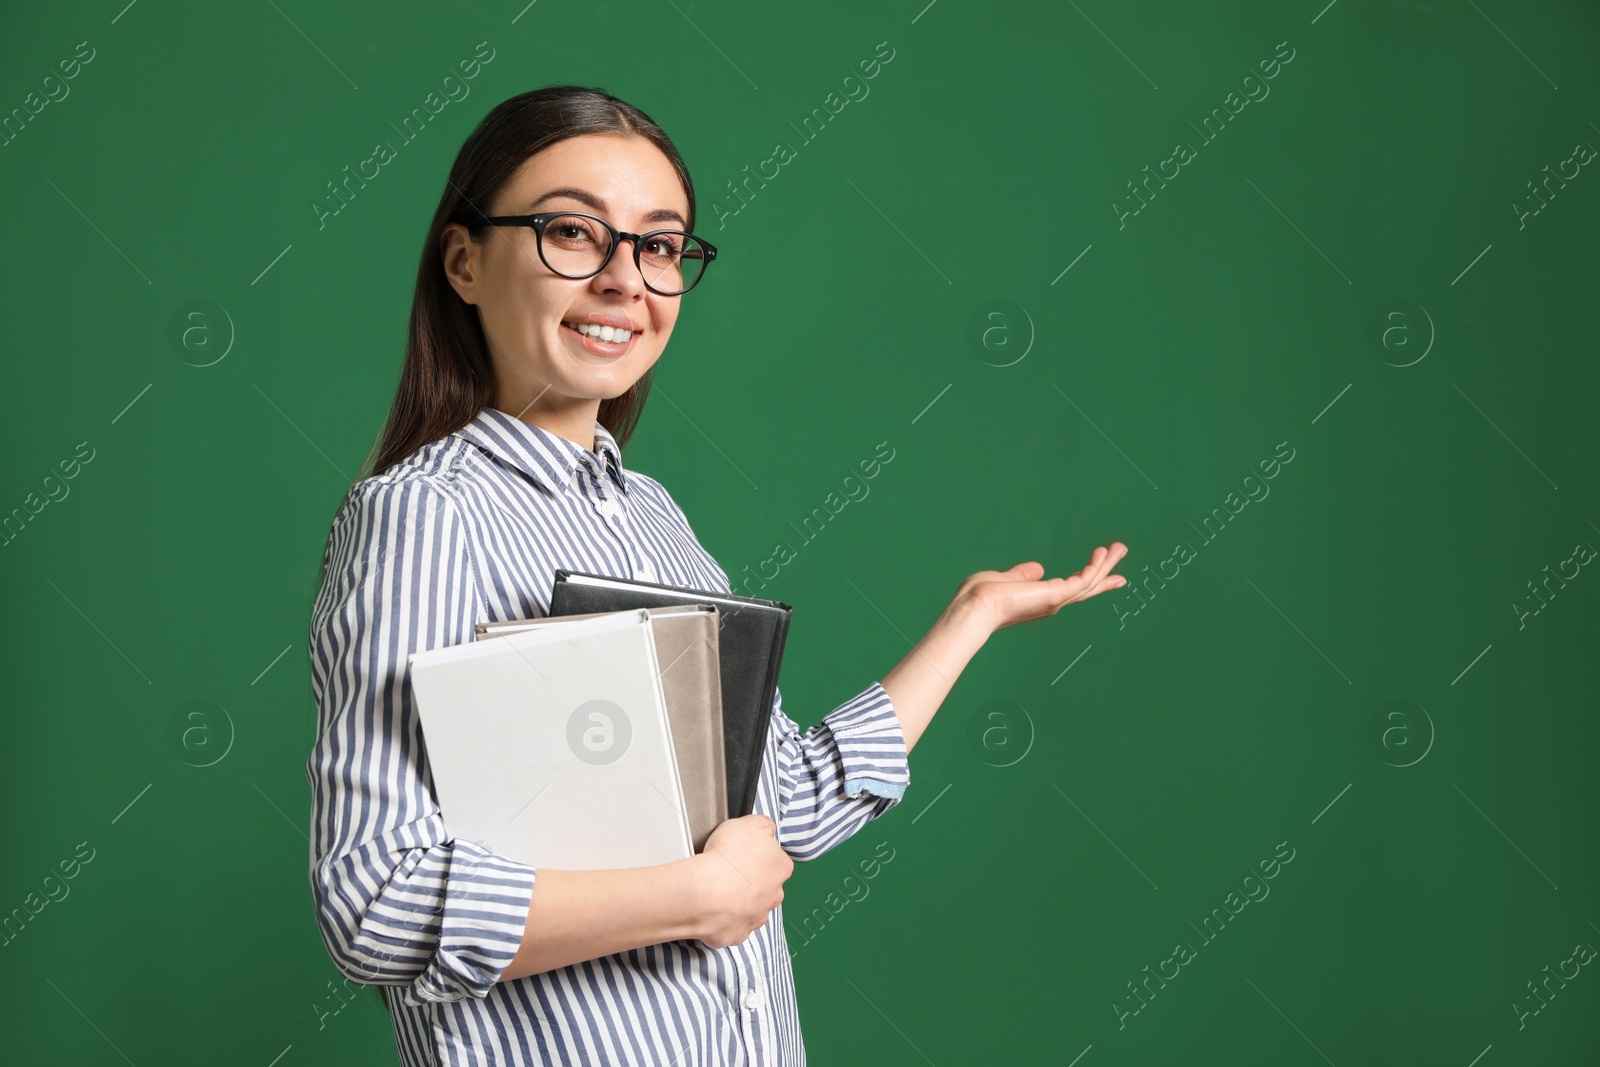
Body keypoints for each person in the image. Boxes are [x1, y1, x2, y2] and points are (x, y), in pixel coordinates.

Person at [305, 83, 1128, 1067]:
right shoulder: (426, 515)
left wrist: (971, 617)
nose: (624, 279)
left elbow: (781, 804)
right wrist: (696, 895)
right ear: (464, 260)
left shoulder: (651, 516)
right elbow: (375, 898)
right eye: (572, 231)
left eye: (657, 246)